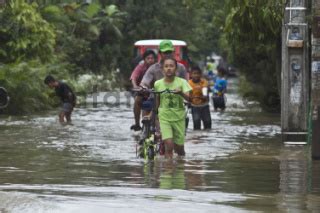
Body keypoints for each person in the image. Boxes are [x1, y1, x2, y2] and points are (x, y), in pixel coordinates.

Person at [154, 57, 192, 158]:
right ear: (162, 69)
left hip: (179, 118)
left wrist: (181, 93)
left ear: (176, 69)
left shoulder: (182, 82)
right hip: (164, 117)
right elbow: (158, 99)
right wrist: (156, 114)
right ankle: (168, 172)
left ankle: (180, 166)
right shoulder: (158, 84)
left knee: (179, 149)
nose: (169, 68)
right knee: (169, 146)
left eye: (171, 66)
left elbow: (190, 99)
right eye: (166, 66)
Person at [130, 50, 157, 131]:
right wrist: (136, 86)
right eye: (148, 58)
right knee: (137, 100)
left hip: (156, 91)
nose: (150, 60)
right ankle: (137, 124)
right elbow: (133, 77)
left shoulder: (158, 66)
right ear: (144, 59)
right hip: (143, 91)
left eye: (152, 58)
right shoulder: (141, 66)